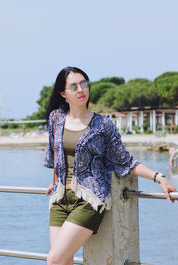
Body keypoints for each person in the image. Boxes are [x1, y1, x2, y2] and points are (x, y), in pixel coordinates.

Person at [43, 66, 177, 265]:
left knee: (54, 259)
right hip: (60, 198)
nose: (81, 90)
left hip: (89, 201)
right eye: (74, 86)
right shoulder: (56, 118)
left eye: (84, 84)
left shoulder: (103, 125)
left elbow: (126, 161)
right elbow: (56, 154)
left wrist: (159, 177)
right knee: (63, 261)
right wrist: (56, 181)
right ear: (63, 94)